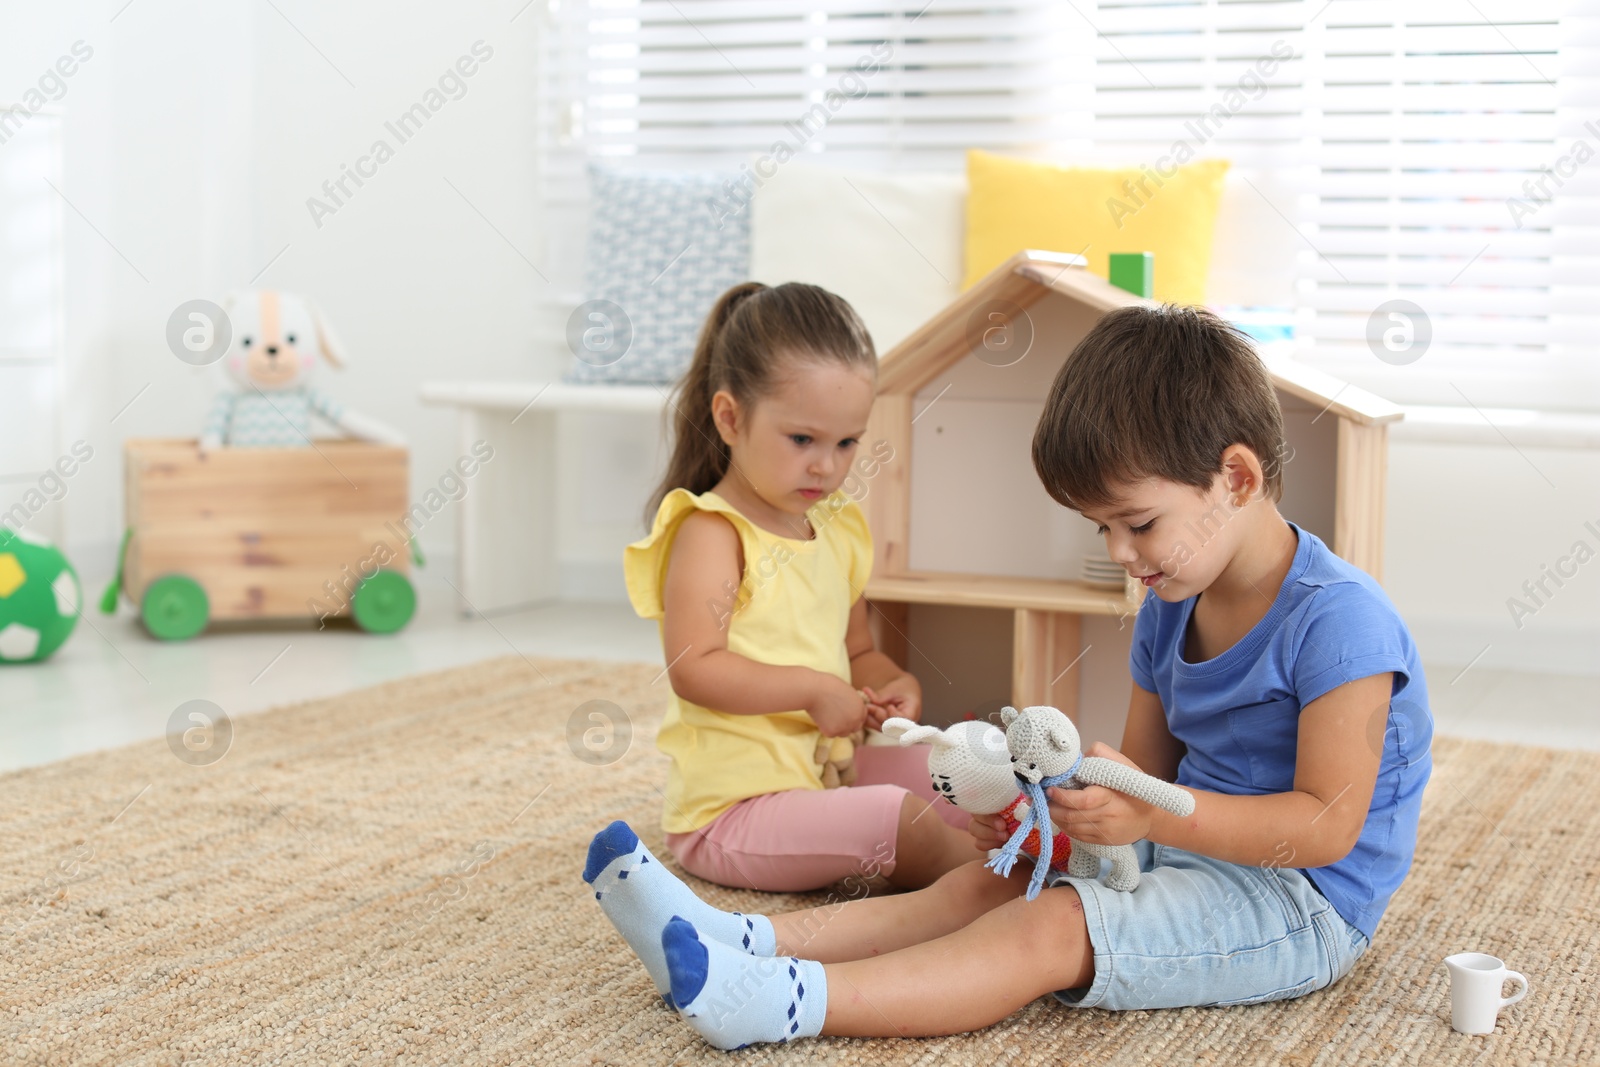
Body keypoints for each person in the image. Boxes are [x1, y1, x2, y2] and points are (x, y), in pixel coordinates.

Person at [586, 302, 1434, 1047]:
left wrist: (1148, 817)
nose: (1119, 554)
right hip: (1187, 854)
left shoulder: (1341, 622)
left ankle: (780, 1001)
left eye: (1137, 522)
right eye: (1102, 528)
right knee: (992, 878)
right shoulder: (1173, 604)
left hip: (1301, 904)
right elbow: (1140, 783)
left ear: (1237, 478)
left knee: (1051, 924)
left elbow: (1322, 829)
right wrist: (1052, 814)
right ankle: (735, 940)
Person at [619, 281, 977, 913]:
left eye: (847, 443)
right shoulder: (712, 531)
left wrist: (891, 681)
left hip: (825, 773)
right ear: (730, 418)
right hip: (734, 811)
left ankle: (1023, 845)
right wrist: (812, 691)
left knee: (964, 774)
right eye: (802, 440)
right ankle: (1002, 886)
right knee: (903, 824)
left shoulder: (837, 526)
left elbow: (857, 650)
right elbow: (693, 668)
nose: (827, 467)